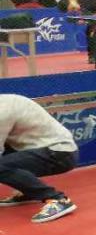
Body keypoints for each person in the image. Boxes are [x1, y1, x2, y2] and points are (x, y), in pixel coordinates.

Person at [0, 94, 78, 224]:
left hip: (59, 154)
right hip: (38, 149)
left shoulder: (3, 110)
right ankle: (28, 192)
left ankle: (58, 200)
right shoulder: (6, 100)